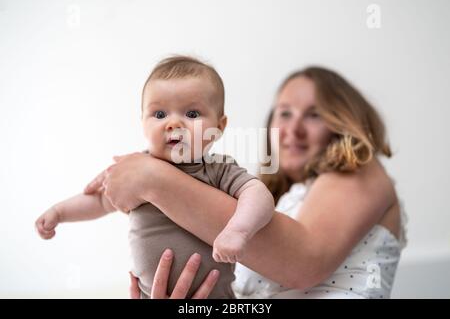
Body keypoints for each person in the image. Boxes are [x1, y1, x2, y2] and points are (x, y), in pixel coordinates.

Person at [85, 66, 407, 299]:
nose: (293, 129)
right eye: (284, 113)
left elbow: (303, 262)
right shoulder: (284, 203)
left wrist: (152, 178)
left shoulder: (359, 171)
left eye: (314, 114)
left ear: (343, 122)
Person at [35, 56, 274, 299]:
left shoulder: (218, 169)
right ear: (142, 122)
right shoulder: (136, 173)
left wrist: (239, 231)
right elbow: (99, 201)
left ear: (219, 126)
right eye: (159, 114)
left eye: (192, 113)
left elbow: (258, 194)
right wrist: (60, 212)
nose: (173, 123)